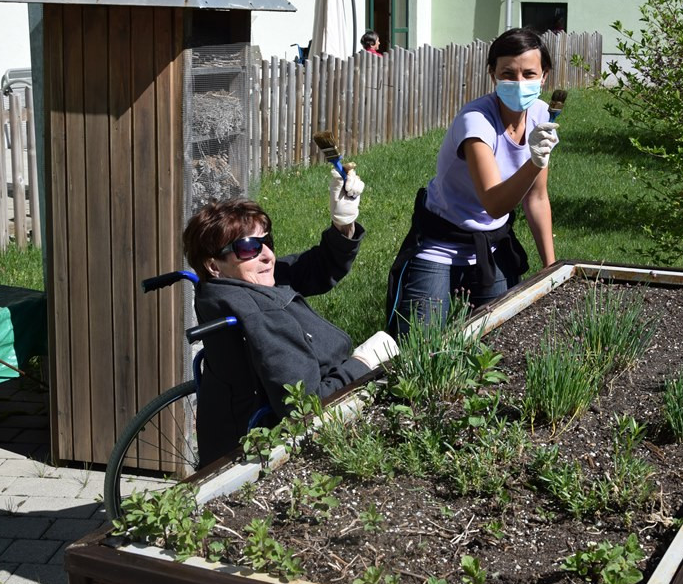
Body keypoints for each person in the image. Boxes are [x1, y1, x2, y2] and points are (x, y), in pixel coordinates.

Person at [183, 168, 397, 465]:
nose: (268, 255)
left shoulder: (225, 288)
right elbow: (305, 407)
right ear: (214, 266)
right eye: (249, 248)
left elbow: (313, 269)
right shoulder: (260, 314)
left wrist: (342, 225)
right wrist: (363, 364)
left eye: (266, 241)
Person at [386, 27, 560, 337]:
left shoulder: (541, 114)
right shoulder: (476, 122)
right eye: (508, 73)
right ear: (492, 73)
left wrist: (551, 269)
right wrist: (534, 162)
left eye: (529, 73)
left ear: (544, 75)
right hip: (439, 244)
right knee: (417, 349)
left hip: (491, 245)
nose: (519, 83)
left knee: (501, 341)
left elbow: (536, 198)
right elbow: (494, 204)